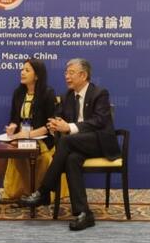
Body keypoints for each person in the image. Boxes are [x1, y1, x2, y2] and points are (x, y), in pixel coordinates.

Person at [21, 58, 120, 231]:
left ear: (83, 75)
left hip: (99, 143)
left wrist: (69, 127)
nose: (67, 76)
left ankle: (44, 191)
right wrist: (54, 123)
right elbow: (58, 116)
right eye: (66, 73)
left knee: (66, 140)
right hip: (77, 145)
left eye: (71, 73)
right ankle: (84, 213)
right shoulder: (67, 96)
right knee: (71, 160)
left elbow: (99, 121)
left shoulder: (100, 93)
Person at [0, 59, 58, 204]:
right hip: (21, 137)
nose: (22, 72)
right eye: (22, 69)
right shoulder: (18, 93)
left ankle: (30, 193)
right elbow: (14, 119)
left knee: (19, 150)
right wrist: (12, 127)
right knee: (2, 151)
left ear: (37, 76)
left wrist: (28, 134)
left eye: (27, 70)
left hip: (41, 138)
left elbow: (50, 125)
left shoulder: (47, 93)